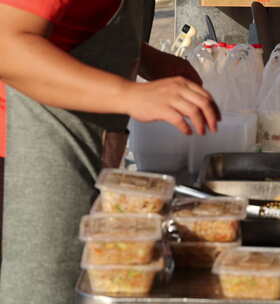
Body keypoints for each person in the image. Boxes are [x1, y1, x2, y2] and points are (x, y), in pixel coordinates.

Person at [0, 1, 219, 304]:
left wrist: (147, 59)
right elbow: (6, 45)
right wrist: (128, 94)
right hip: (20, 156)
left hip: (80, 150)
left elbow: (74, 25)